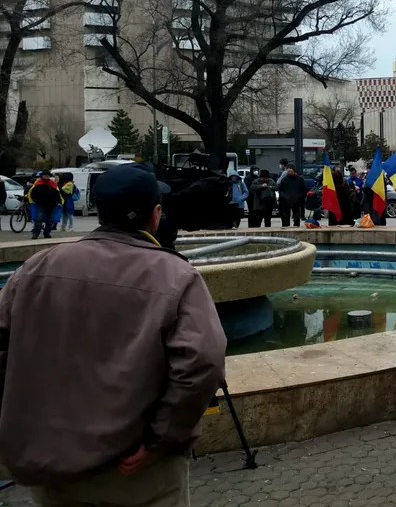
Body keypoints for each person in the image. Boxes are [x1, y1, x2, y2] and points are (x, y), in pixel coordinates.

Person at [0, 164, 226, 504]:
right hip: (135, 470)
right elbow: (202, 362)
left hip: (51, 466)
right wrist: (161, 439)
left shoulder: (36, 267)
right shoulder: (176, 275)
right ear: (156, 215)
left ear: (98, 210)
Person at [26, 170, 63, 240]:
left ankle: (47, 233)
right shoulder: (38, 183)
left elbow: (57, 194)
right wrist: (36, 201)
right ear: (42, 176)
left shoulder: (53, 184)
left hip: (52, 205)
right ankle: (36, 233)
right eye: (45, 175)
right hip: (41, 204)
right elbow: (32, 193)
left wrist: (59, 202)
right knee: (38, 219)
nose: (47, 176)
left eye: (48, 175)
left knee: (50, 220)